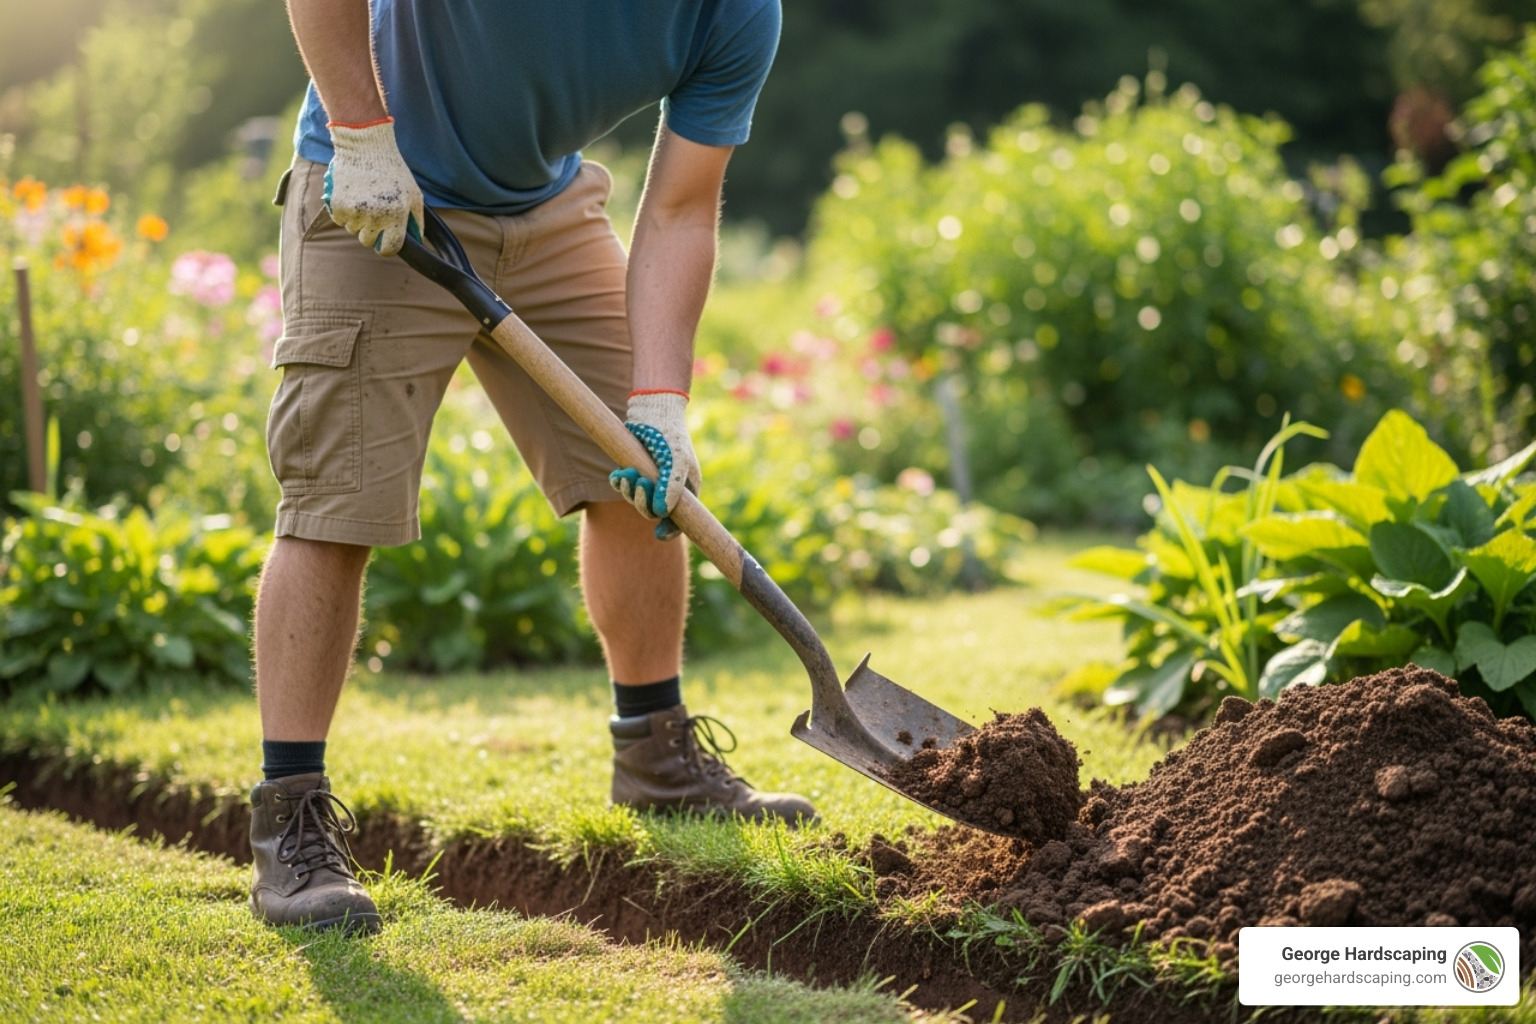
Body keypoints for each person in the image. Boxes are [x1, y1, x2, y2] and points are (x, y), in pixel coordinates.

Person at [250, 0, 815, 935]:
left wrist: (661, 402)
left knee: (639, 472)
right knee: (336, 508)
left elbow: (679, 209)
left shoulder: (737, 13)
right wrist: (359, 134)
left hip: (545, 212)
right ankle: (292, 825)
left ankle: (657, 759)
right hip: (374, 190)